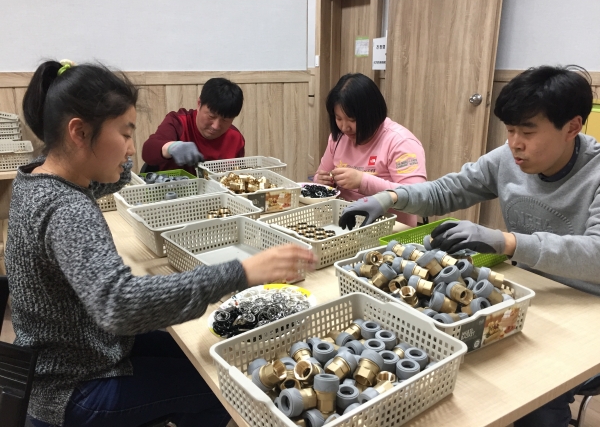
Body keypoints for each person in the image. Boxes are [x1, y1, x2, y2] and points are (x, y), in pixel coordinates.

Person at [6, 60, 315, 427]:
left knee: (207, 355)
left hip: (83, 351)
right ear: (79, 132)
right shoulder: (67, 208)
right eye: (125, 134)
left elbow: (110, 179)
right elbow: (120, 305)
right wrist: (241, 272)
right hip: (72, 387)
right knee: (222, 385)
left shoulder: (38, 175)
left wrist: (122, 156)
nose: (131, 148)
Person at [338, 64, 598, 426]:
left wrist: (506, 241)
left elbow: (596, 256)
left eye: (527, 131)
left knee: (536, 401)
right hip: (527, 294)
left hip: (586, 309)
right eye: (510, 130)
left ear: (572, 127)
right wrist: (391, 197)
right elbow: (448, 190)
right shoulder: (507, 158)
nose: (515, 143)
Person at [313, 73, 426, 226]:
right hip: (345, 224)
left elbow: (418, 197)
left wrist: (362, 181)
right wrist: (321, 181)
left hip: (390, 229)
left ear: (372, 113)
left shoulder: (401, 142)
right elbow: (320, 177)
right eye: (338, 118)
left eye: (352, 120)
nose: (344, 127)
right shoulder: (338, 138)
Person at [142, 77, 245, 174]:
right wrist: (171, 147)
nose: (216, 126)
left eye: (225, 120)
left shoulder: (236, 139)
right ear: (199, 104)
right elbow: (147, 152)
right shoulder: (178, 123)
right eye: (211, 116)